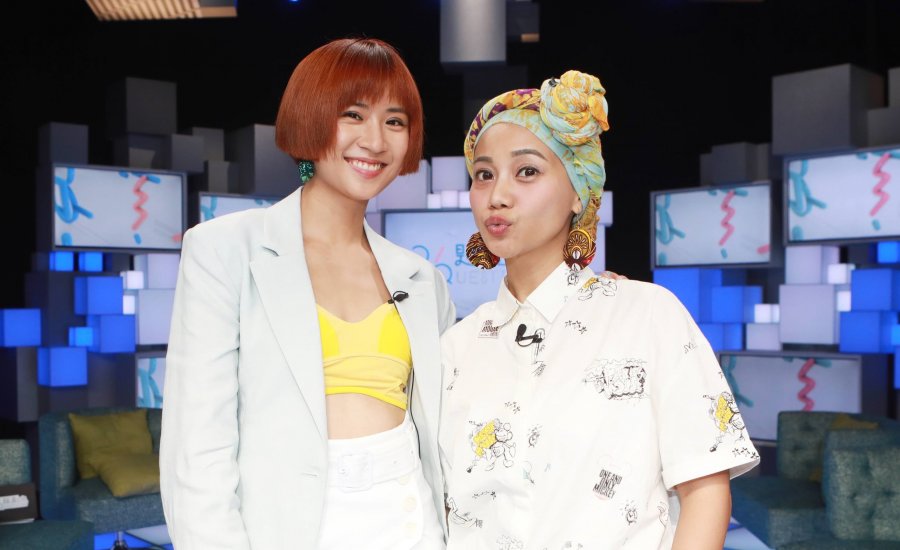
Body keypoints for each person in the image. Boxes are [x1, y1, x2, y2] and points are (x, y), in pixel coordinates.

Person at [438, 70, 760, 549]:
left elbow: (705, 490)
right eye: (484, 175)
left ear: (578, 192)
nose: (497, 195)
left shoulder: (647, 316)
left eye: (527, 171)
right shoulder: (455, 349)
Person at [160, 38, 454, 549]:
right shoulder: (225, 250)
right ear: (310, 117)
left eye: (395, 121)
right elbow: (197, 449)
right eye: (353, 115)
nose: (375, 140)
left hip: (411, 521)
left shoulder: (422, 279)